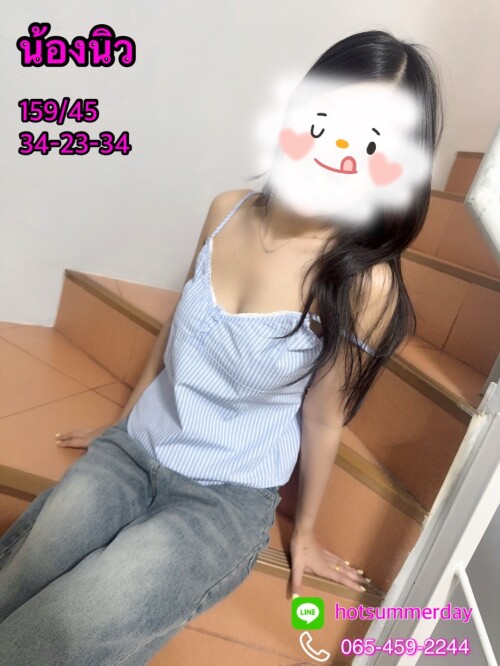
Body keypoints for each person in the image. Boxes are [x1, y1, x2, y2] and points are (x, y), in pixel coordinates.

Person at [0, 29, 443, 664]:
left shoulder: (363, 283)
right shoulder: (227, 210)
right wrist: (124, 422)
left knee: (68, 625)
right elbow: (176, 328)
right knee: (20, 573)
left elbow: (323, 417)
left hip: (223, 499)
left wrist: (306, 529)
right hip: (135, 449)